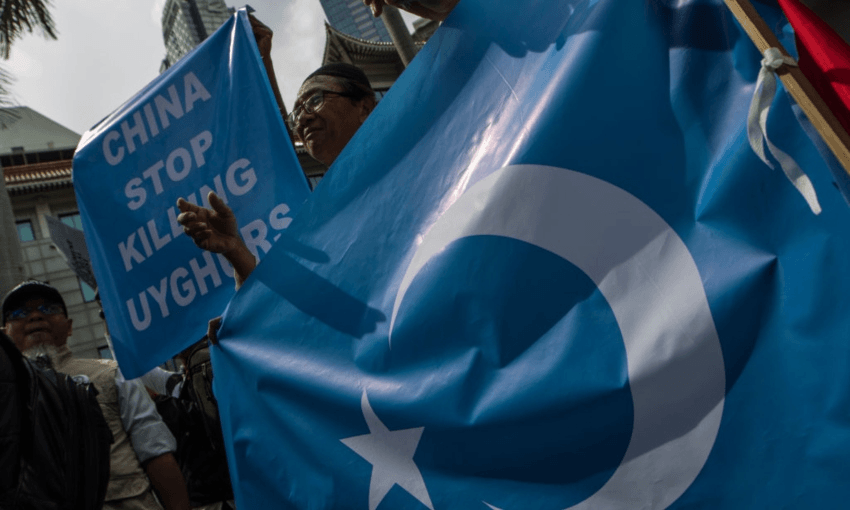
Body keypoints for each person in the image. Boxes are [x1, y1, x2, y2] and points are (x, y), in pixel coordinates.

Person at [176, 62, 378, 288]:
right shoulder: (321, 213)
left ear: (365, 108)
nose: (303, 119)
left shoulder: (414, 156)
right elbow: (312, 296)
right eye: (298, 113)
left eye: (315, 101)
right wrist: (236, 251)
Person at [2, 280, 191, 510]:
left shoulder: (111, 373)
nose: (35, 317)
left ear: (69, 326)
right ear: (5, 332)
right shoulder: (5, 394)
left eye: (48, 309)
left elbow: (156, 451)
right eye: (20, 313)